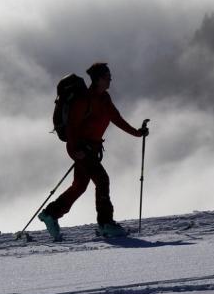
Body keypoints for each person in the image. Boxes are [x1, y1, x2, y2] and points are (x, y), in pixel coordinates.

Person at [39, 62, 149, 240]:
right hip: (81, 148)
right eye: (107, 77)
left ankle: (50, 214)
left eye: (109, 76)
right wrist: (76, 150)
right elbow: (72, 127)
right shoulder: (84, 99)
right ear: (98, 79)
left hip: (91, 148)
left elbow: (117, 119)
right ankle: (106, 223)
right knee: (102, 180)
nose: (110, 80)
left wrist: (138, 133)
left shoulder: (104, 98)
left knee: (79, 186)